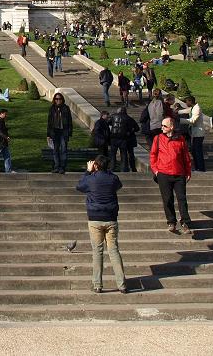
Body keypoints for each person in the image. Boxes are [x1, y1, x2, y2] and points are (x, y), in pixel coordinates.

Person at [74, 155, 127, 294]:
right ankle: (122, 284)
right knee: (114, 250)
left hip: (95, 218)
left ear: (95, 165)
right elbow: (118, 185)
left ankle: (97, 284)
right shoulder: (113, 178)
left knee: (97, 252)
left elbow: (79, 186)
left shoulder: (90, 179)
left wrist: (88, 171)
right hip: (111, 217)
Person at [150, 116, 192, 235]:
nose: (162, 127)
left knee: (182, 198)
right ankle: (171, 221)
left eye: (165, 126)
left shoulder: (180, 139)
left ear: (172, 127)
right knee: (167, 199)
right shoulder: (158, 138)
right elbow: (153, 155)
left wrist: (188, 172)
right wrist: (155, 170)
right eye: (162, 125)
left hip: (179, 173)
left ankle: (185, 221)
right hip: (163, 173)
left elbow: (186, 157)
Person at [47, 92, 73, 174]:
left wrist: (69, 132)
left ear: (62, 100)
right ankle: (56, 166)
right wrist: (48, 134)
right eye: (56, 99)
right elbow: (49, 122)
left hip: (63, 132)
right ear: (54, 100)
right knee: (55, 150)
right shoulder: (52, 109)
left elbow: (69, 121)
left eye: (59, 99)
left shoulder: (66, 108)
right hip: (55, 132)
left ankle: (62, 167)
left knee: (63, 150)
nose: (58, 100)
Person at [108, 106, 137, 173]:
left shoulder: (113, 116)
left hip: (114, 138)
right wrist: (129, 131)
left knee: (113, 154)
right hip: (123, 138)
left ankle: (112, 168)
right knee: (123, 154)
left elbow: (108, 122)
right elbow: (136, 127)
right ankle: (124, 169)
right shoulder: (128, 118)